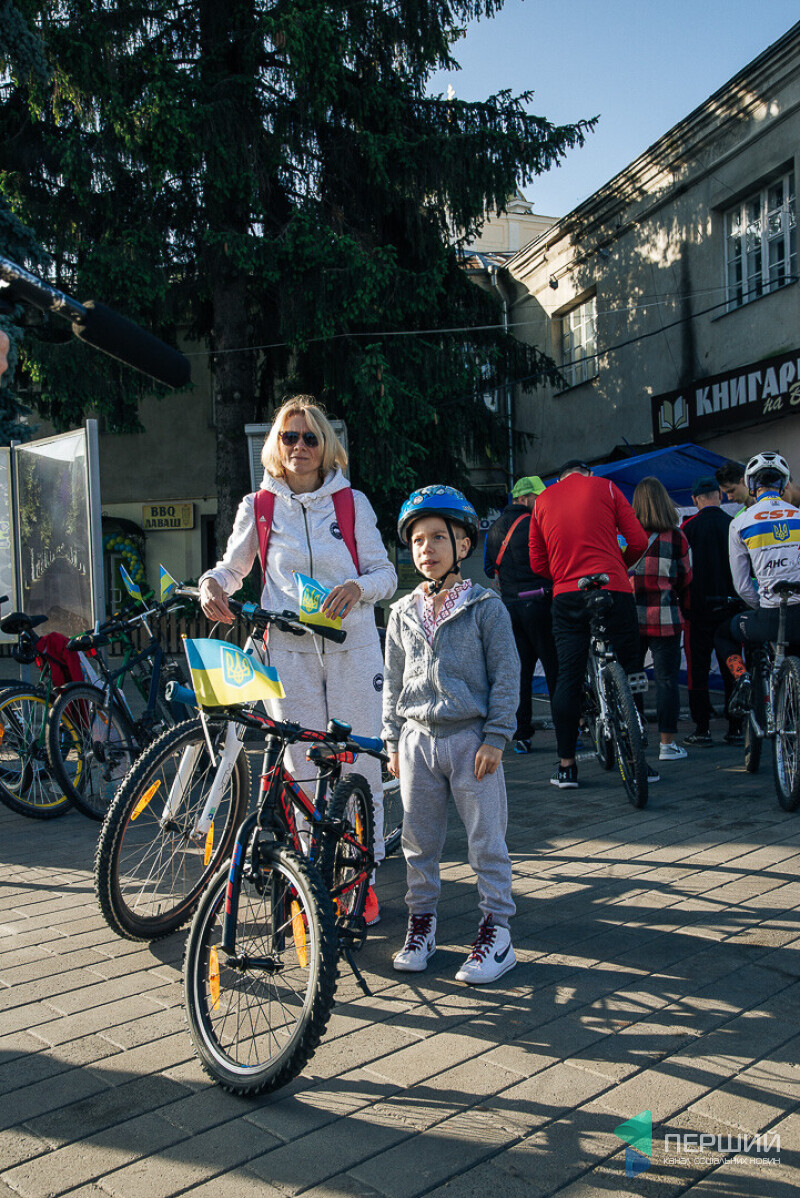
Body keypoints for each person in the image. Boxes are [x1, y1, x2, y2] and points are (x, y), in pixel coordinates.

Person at [199, 395, 397, 925]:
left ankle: (362, 878)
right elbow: (232, 568)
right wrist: (211, 584)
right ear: (276, 444)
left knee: (358, 764)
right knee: (301, 769)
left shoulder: (352, 503)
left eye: (311, 437)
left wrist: (357, 587)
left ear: (326, 445)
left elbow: (385, 574)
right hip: (288, 654)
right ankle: (314, 881)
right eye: (290, 436)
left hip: (353, 651)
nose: (300, 446)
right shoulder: (259, 506)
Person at [382, 485, 519, 984]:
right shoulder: (401, 612)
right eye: (418, 540)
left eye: (438, 537)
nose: (427, 548)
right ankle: (422, 924)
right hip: (417, 742)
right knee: (418, 842)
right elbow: (392, 682)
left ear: (463, 545)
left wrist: (496, 736)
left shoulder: (485, 607)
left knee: (486, 840)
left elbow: (506, 675)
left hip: (470, 742)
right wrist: (392, 739)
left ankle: (497, 931)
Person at [528, 459, 657, 790]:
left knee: (568, 676)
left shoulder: (542, 501)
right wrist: (618, 566)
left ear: (560, 479)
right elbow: (638, 541)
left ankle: (567, 766)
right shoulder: (607, 488)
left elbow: (537, 561)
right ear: (589, 474)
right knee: (630, 669)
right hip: (614, 588)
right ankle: (640, 756)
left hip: (569, 594)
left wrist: (563, 577)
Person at [716, 451, 800, 711]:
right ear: (783, 484)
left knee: (722, 634)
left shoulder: (740, 522)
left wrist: (761, 606)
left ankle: (742, 678)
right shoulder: (798, 515)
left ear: (751, 484)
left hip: (769, 617)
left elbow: (742, 586)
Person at [484, 474, 558, 753]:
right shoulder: (537, 523)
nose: (542, 501)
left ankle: (522, 736)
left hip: (511, 608)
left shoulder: (493, 529)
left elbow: (489, 569)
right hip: (540, 604)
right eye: (539, 497)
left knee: (521, 674)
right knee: (555, 670)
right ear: (525, 498)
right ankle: (567, 731)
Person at [630, 477, 692, 762]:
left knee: (632, 680)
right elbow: (686, 577)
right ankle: (667, 744)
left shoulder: (623, 536)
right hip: (665, 617)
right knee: (667, 681)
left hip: (630, 618)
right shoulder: (676, 537)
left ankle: (636, 737)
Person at [681, 476, 741, 746]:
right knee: (733, 664)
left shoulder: (688, 528)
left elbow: (682, 570)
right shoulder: (734, 525)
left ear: (695, 500)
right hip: (730, 608)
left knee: (698, 669)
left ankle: (702, 728)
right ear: (719, 495)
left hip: (697, 611)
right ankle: (736, 726)